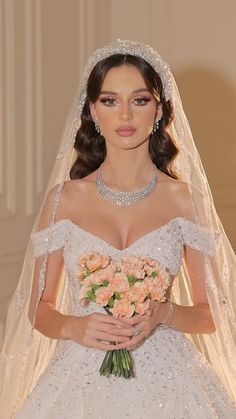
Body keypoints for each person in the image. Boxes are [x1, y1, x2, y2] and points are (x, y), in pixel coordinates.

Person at [1, 39, 236, 418]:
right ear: (93, 110)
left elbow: (212, 315)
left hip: (171, 379)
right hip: (78, 377)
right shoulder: (64, 200)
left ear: (159, 110)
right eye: (110, 101)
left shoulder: (185, 200)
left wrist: (163, 313)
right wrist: (74, 328)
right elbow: (40, 310)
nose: (125, 114)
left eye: (139, 100)